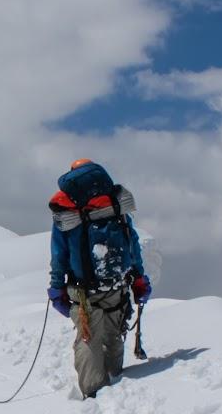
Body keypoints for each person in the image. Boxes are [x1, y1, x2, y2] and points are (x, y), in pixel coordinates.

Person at [47, 159, 151, 397]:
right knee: (114, 334)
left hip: (82, 290)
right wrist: (139, 278)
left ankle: (94, 394)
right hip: (117, 286)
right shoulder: (115, 207)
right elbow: (132, 245)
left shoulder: (68, 214)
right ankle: (116, 380)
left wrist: (56, 288)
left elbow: (59, 255)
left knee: (88, 338)